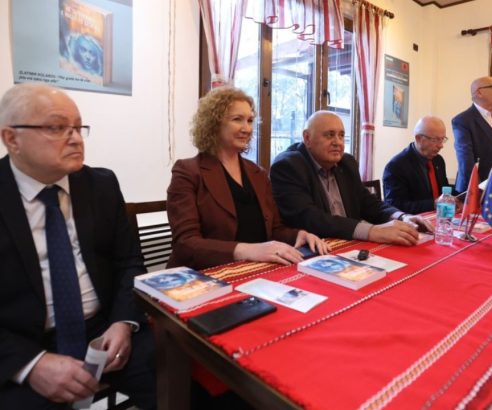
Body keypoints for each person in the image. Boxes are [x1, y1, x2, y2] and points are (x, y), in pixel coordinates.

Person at [0, 83, 155, 409]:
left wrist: (123, 323)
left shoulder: (101, 185)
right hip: (22, 343)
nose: (75, 138)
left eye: (78, 127)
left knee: (183, 374)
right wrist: (30, 364)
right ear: (12, 139)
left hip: (103, 330)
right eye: (57, 128)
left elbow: (129, 262)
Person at [166, 86, 328, 271]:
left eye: (250, 120)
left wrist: (299, 235)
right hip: (203, 276)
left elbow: (274, 230)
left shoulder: (257, 173)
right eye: (237, 119)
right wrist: (249, 250)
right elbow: (185, 244)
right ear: (213, 123)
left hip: (254, 270)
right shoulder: (187, 171)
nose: (247, 128)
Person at [270, 111, 433, 246]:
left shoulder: (346, 163)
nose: (337, 142)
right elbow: (310, 218)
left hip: (350, 244)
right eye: (329, 135)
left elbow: (367, 202)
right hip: (313, 249)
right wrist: (371, 231)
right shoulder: (288, 166)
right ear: (307, 138)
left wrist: (402, 217)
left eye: (341, 135)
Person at [383, 116, 460, 214]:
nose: (441, 145)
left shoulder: (438, 160)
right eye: (435, 140)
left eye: (442, 139)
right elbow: (395, 206)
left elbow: (443, 190)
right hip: (413, 220)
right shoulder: (396, 166)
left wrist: (463, 196)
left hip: (440, 216)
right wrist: (433, 204)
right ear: (419, 138)